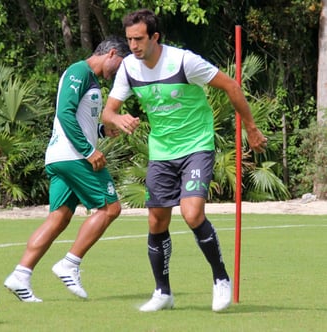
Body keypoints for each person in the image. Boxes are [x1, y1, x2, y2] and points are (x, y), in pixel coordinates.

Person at [102, 9, 268, 312]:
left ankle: (220, 280)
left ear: (155, 37)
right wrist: (117, 118)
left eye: (139, 39)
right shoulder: (128, 67)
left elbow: (231, 86)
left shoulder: (183, 61)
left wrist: (252, 129)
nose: (134, 45)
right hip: (161, 152)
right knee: (156, 220)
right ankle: (163, 292)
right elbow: (108, 111)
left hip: (196, 145)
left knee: (192, 214)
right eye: (129, 40)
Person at [4, 36, 130, 302]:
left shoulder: (91, 80)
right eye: (121, 63)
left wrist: (102, 131)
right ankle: (70, 264)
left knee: (58, 218)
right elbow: (64, 113)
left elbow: (79, 121)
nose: (120, 70)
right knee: (111, 208)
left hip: (61, 157)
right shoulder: (79, 71)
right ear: (112, 53)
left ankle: (20, 275)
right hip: (74, 157)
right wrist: (89, 151)